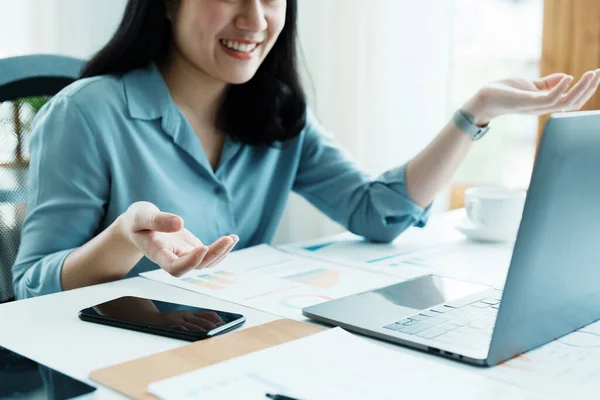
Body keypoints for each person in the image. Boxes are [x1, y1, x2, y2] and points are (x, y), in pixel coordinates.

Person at [12, 0, 600, 299]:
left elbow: (378, 213)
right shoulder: (86, 113)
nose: (254, 18)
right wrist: (122, 239)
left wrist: (477, 114)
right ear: (167, 4)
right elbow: (31, 285)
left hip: (229, 354)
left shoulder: (277, 113)